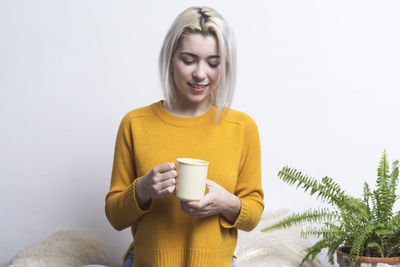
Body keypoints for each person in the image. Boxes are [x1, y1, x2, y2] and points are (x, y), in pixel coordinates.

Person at [105, 6, 264, 267]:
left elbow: (254, 213)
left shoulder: (242, 127)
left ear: (224, 67)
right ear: (170, 60)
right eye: (188, 60)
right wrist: (142, 189)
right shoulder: (135, 123)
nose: (200, 73)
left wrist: (229, 204)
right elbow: (115, 217)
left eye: (212, 63)